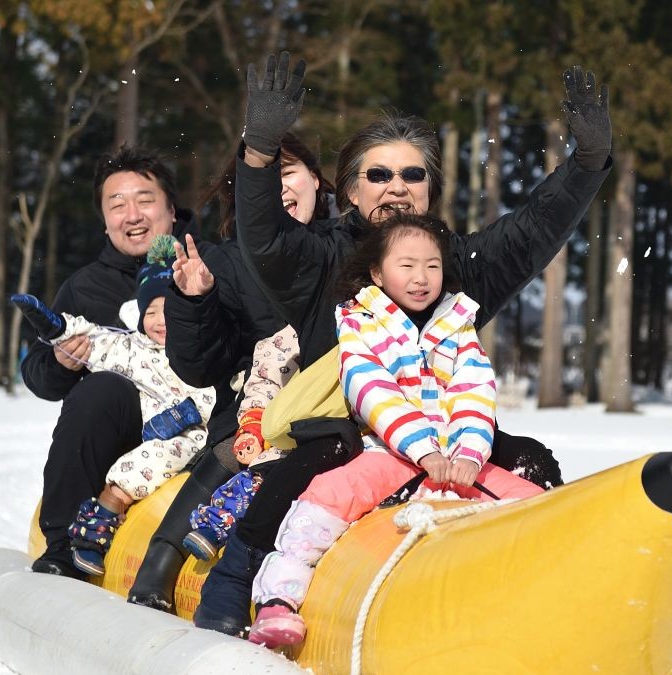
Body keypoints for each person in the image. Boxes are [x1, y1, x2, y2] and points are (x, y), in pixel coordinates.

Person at [192, 51, 612, 635]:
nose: (396, 187)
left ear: (431, 191)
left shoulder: (453, 264)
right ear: (349, 191)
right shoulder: (321, 259)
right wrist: (260, 153)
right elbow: (264, 238)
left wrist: (587, 161)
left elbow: (534, 227)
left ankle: (543, 587)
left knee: (530, 458)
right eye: (378, 174)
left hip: (443, 433)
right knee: (309, 467)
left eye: (412, 174)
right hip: (341, 428)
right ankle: (238, 576)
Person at [246, 213, 544, 648]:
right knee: (326, 499)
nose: (421, 277)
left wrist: (469, 455)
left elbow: (475, 391)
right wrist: (423, 451)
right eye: (406, 265)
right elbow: (372, 391)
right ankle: (278, 601)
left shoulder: (459, 325)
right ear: (377, 272)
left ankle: (550, 591)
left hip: (457, 461)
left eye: (432, 265)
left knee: (531, 502)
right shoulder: (359, 322)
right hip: (388, 453)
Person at [124, 133, 335, 610]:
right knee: (232, 448)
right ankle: (164, 555)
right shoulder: (222, 261)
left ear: (316, 181)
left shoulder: (341, 250)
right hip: (250, 413)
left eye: (287, 173)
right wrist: (194, 301)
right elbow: (200, 366)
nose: (277, 188)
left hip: (334, 412)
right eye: (261, 180)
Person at [21, 145, 213, 579]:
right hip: (124, 436)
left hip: (203, 428)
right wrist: (61, 364)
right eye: (117, 204)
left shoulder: (209, 265)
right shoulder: (86, 287)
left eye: (145, 200)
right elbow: (37, 376)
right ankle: (64, 542)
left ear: (170, 207)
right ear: (104, 220)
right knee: (100, 388)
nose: (133, 215)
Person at [183, 324, 300, 561]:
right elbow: (265, 379)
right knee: (255, 479)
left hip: (352, 434)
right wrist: (253, 424)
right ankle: (215, 526)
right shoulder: (293, 335)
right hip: (289, 431)